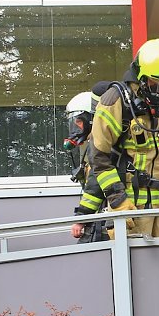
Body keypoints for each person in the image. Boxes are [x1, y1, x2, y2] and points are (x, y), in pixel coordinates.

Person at [88, 38, 159, 237]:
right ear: (140, 76)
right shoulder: (115, 101)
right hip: (130, 209)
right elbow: (98, 157)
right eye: (157, 86)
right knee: (132, 267)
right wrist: (118, 200)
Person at [64, 82, 110, 243]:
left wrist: (81, 219)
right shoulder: (92, 144)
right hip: (99, 218)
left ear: (92, 119)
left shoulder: (100, 143)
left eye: (78, 121)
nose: (76, 127)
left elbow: (96, 180)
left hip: (106, 220)